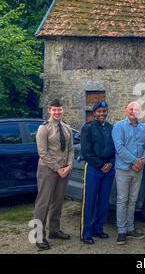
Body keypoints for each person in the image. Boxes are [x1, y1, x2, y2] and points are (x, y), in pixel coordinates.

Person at [33, 99, 74, 250]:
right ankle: (38, 236)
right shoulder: (44, 128)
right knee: (43, 203)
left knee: (58, 201)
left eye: (60, 109)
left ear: (63, 110)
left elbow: (70, 149)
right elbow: (42, 153)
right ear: (49, 110)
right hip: (48, 170)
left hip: (64, 170)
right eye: (54, 110)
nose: (57, 112)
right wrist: (58, 169)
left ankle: (54, 230)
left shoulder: (67, 128)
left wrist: (69, 165)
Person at [112, 101, 145, 244]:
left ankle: (130, 228)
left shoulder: (144, 128)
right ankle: (121, 231)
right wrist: (135, 161)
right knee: (122, 200)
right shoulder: (119, 127)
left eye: (136, 109)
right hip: (123, 169)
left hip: (138, 170)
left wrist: (142, 161)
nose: (133, 111)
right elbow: (120, 148)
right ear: (126, 110)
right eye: (131, 109)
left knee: (133, 199)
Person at [80, 101, 116, 244]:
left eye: (104, 111)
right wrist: (101, 165)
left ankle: (98, 229)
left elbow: (115, 149)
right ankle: (86, 232)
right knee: (89, 201)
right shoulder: (87, 128)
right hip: (94, 169)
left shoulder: (110, 128)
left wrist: (111, 162)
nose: (102, 114)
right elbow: (86, 152)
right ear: (94, 113)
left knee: (103, 201)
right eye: (99, 111)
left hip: (108, 169)